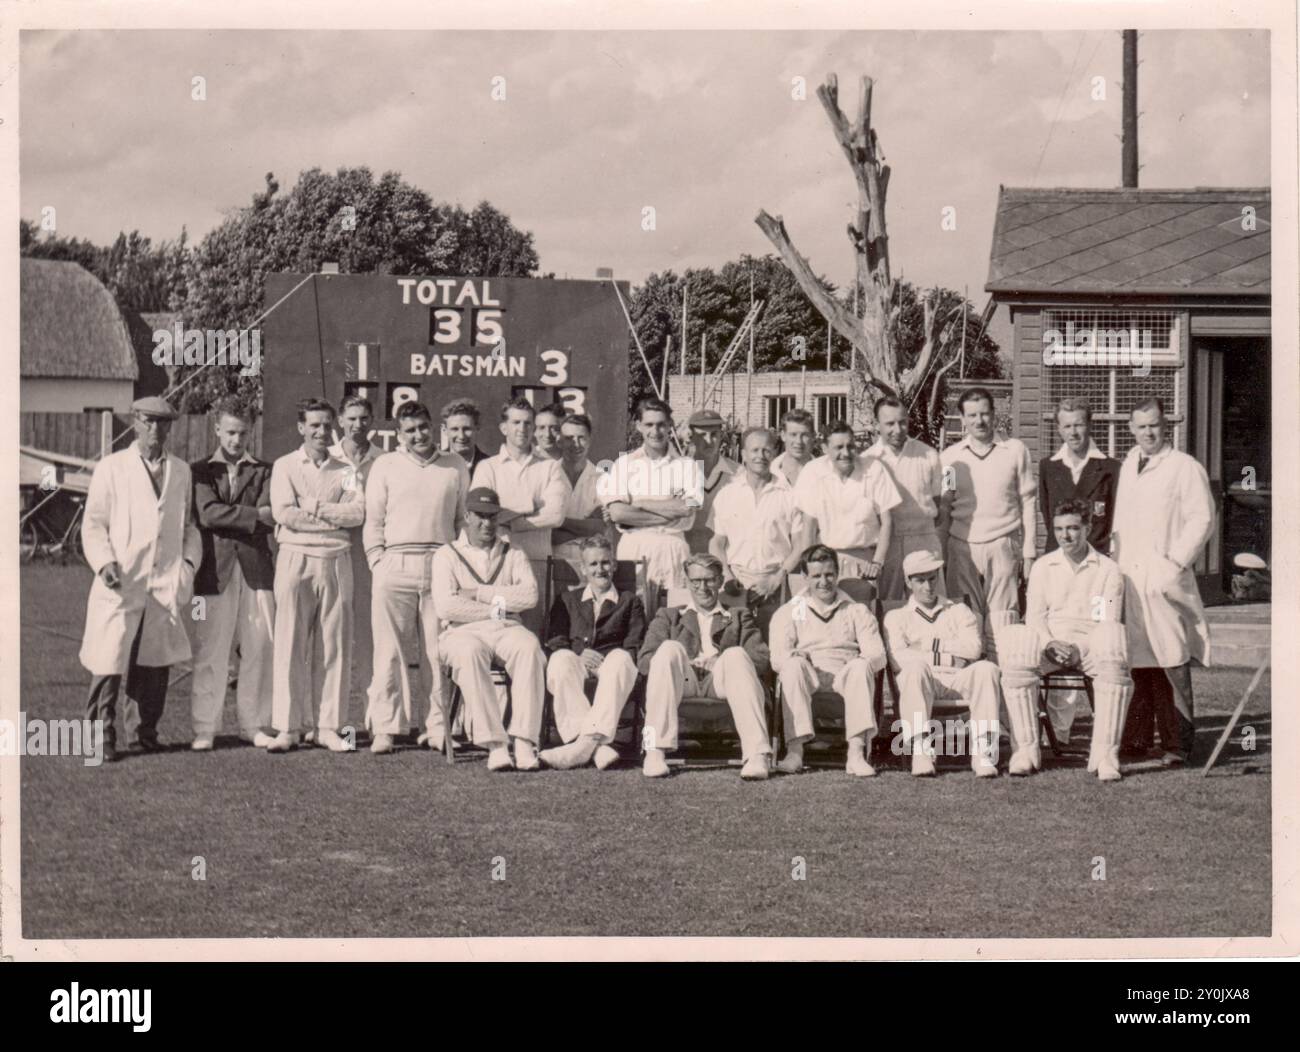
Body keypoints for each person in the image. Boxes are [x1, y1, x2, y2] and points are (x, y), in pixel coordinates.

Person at [80, 396, 202, 763]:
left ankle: (144, 733)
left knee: (154, 663)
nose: (155, 430)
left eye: (163, 423)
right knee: (110, 661)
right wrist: (104, 564)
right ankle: (100, 735)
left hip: (164, 582)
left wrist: (188, 567)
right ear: (134, 422)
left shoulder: (181, 471)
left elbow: (189, 528)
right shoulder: (112, 468)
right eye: (148, 422)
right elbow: (93, 525)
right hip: (122, 581)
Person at [997, 500, 1133, 780]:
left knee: (1112, 640)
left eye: (1073, 528)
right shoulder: (1044, 567)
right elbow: (1035, 617)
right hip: (1049, 644)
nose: (1065, 535)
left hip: (1090, 644)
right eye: (1059, 529)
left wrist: (1078, 648)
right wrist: (1049, 643)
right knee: (1016, 643)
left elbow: (1106, 618)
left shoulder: (1107, 569)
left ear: (1088, 528)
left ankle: (1105, 755)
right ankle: (1025, 751)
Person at [1113, 398, 1216, 766]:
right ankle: (1138, 740)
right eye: (1141, 426)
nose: (1148, 432)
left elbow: (1202, 519)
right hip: (1131, 576)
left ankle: (1178, 744)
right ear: (1131, 428)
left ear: (1165, 424)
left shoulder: (1184, 467)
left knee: (1171, 657)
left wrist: (1174, 562)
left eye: (1154, 425)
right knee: (1138, 659)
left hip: (1164, 577)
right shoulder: (1128, 464)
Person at [363, 400, 470, 754]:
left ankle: (437, 727)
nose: (418, 435)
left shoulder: (455, 465)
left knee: (437, 651)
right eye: (410, 430)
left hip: (440, 563)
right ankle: (385, 727)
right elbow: (373, 520)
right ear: (399, 435)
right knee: (389, 652)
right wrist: (378, 561)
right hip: (395, 563)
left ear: (432, 427)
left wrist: (455, 565)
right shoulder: (385, 465)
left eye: (423, 427)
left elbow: (461, 521)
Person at [266, 398, 365, 753]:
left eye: (327, 425)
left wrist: (317, 508)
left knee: (333, 645)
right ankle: (289, 728)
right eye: (314, 425)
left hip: (336, 559)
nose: (322, 432)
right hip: (294, 558)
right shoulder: (284, 465)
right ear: (301, 427)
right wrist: (329, 519)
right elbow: (284, 513)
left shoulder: (347, 468)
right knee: (290, 641)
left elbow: (358, 513)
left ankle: (327, 727)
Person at [432, 487, 546, 771]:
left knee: (529, 647)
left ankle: (523, 740)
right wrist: (500, 605)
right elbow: (447, 607)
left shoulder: (513, 551)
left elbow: (529, 596)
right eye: (481, 517)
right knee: (469, 652)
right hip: (461, 631)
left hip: (507, 628)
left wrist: (478, 593)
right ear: (467, 517)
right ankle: (496, 744)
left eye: (493, 517)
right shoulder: (446, 555)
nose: (487, 524)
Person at [188, 401, 276, 751]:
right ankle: (204, 728)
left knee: (258, 646)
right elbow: (208, 515)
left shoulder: (266, 471)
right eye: (230, 432)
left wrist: (239, 517)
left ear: (251, 431)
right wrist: (253, 516)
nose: (237, 439)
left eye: (243, 432)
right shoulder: (199, 471)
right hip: (213, 573)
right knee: (211, 649)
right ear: (217, 431)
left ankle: (252, 724)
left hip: (257, 570)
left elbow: (273, 514)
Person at [637, 553, 772, 779]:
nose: (703, 587)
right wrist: (685, 662)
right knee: (669, 648)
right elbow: (644, 661)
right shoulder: (669, 616)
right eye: (696, 581)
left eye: (709, 580)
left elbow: (761, 659)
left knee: (737, 655)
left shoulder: (739, 615)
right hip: (683, 682)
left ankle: (757, 755)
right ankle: (654, 751)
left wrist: (721, 660)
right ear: (687, 582)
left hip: (720, 682)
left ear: (720, 582)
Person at [769, 545, 888, 777]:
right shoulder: (791, 611)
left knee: (861, 666)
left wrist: (858, 663)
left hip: (846, 676)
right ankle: (795, 752)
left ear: (837, 574)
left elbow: (877, 654)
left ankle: (856, 753)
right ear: (804, 577)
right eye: (816, 576)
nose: (824, 582)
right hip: (808, 677)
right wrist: (795, 656)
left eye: (829, 574)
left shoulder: (856, 610)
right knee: (791, 666)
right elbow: (777, 658)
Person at [882, 550, 1002, 778]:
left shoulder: (959, 610)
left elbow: (973, 649)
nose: (928, 587)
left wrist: (926, 646)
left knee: (987, 669)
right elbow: (899, 660)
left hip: (958, 678)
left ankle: (983, 752)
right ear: (908, 582)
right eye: (920, 580)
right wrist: (948, 654)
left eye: (932, 578)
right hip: (923, 681)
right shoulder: (896, 617)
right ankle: (920, 751)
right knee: (914, 669)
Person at [939, 387, 1036, 659]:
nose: (979, 421)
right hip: (962, 547)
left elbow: (1028, 501)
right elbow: (945, 507)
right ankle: (971, 688)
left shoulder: (1015, 450)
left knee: (1002, 619)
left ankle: (1004, 690)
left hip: (1003, 544)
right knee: (964, 620)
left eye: (984, 414)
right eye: (972, 415)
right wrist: (943, 554)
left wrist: (1028, 555)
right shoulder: (950, 458)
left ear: (994, 415)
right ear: (962, 418)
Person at [540, 535, 646, 771]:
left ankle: (580, 747)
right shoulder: (567, 599)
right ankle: (595, 747)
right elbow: (556, 640)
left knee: (621, 659)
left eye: (606, 562)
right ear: (583, 568)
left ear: (615, 565)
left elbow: (634, 645)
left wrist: (607, 658)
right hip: (578, 662)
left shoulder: (630, 602)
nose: (601, 569)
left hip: (613, 668)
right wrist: (579, 654)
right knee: (559, 659)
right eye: (594, 564)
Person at [601, 397, 703, 592]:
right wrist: (670, 508)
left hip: (673, 549)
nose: (655, 432)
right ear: (638, 425)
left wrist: (639, 503)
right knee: (632, 615)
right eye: (649, 424)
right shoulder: (624, 464)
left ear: (670, 426)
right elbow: (618, 514)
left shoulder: (688, 466)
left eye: (661, 425)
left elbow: (687, 509)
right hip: (634, 548)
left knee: (672, 615)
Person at [708, 427, 801, 629]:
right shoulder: (728, 494)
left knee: (777, 643)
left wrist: (776, 579)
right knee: (735, 641)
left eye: (766, 450)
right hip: (736, 584)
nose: (761, 456)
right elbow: (717, 542)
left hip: (778, 583)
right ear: (744, 455)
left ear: (774, 454)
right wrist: (727, 576)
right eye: (755, 450)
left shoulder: (789, 495)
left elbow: (800, 546)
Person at [793, 420, 900, 583]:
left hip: (865, 561)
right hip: (825, 563)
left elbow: (887, 521)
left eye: (850, 446)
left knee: (862, 608)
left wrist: (877, 563)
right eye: (838, 447)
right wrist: (809, 567)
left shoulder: (874, 469)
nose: (846, 453)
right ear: (824, 449)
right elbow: (809, 525)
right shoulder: (813, 471)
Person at [862, 396, 946, 602]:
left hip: (923, 538)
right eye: (889, 424)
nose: (897, 429)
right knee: (888, 602)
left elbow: (940, 499)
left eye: (902, 422)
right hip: (887, 542)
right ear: (876, 425)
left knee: (932, 600)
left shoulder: (928, 454)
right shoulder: (867, 459)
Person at [330, 395, 382, 717]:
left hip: (368, 557)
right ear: (340, 420)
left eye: (363, 418)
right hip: (333, 551)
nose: (357, 425)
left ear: (372, 421)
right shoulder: (328, 457)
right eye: (351, 418)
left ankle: (375, 719)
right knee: (332, 637)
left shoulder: (384, 460)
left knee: (370, 640)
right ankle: (327, 721)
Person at [470, 397, 568, 564]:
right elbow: (481, 513)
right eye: (516, 422)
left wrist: (513, 524)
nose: (522, 429)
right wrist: (529, 505)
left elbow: (555, 516)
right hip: (496, 561)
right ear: (504, 428)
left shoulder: (551, 467)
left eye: (528, 423)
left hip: (538, 561)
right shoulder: (487, 467)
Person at [1038, 398, 1119, 554]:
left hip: (1097, 558)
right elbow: (1048, 516)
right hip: (1058, 557)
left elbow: (1114, 520)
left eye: (1078, 425)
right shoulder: (1048, 467)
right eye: (1067, 426)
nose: (1073, 433)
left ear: (1089, 425)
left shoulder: (1111, 469)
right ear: (1059, 429)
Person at [552, 412, 609, 573]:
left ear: (590, 439)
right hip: (553, 559)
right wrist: (585, 526)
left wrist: (559, 521)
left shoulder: (602, 479)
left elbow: (598, 528)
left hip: (590, 564)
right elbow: (547, 533)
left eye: (581, 437)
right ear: (559, 441)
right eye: (569, 438)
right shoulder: (548, 475)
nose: (576, 444)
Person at [683, 408, 739, 555]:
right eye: (702, 435)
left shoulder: (739, 474)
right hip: (687, 556)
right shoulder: (679, 473)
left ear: (721, 436)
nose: (708, 441)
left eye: (714, 435)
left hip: (725, 559)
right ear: (692, 437)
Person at [441, 398, 490, 476]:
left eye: (467, 429)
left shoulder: (491, 466)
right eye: (455, 429)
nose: (461, 436)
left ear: (477, 428)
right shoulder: (435, 465)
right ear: (444, 430)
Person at [771, 408, 817, 488]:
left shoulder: (825, 474)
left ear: (813, 436)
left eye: (804, 435)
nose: (799, 441)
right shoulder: (769, 472)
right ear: (783, 435)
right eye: (793, 435)